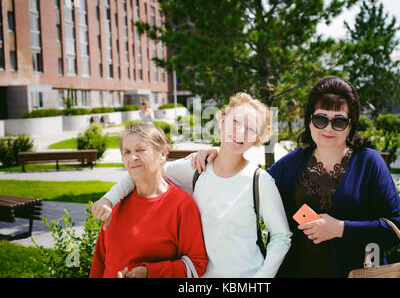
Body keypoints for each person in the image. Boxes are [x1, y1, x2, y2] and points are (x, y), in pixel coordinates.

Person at [191, 76, 400, 277]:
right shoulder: (293, 163)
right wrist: (220, 154)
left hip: (354, 274)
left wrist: (340, 228)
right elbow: (250, 184)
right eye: (321, 119)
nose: (328, 128)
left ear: (351, 125)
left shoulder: (369, 162)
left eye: (338, 121)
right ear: (309, 120)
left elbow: (395, 228)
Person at [92, 93, 292, 278]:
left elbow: (281, 236)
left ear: (257, 139)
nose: (240, 131)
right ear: (222, 121)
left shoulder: (260, 181)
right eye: (236, 121)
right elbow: (146, 171)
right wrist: (110, 198)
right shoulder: (196, 168)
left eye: (250, 128)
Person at [89, 123, 207, 278]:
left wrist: (149, 273)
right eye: (127, 152)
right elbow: (99, 261)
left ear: (162, 153)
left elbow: (196, 265)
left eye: (140, 150)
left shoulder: (182, 205)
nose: (132, 157)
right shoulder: (115, 201)